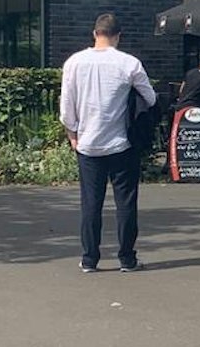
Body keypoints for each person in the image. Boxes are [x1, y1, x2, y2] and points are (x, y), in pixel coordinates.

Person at [58, 14, 157, 273]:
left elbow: (66, 104)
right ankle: (127, 258)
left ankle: (90, 258)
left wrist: (72, 133)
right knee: (126, 202)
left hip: (87, 143)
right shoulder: (129, 63)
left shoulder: (74, 62)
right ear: (118, 35)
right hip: (121, 143)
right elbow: (150, 97)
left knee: (91, 203)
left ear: (95, 33)